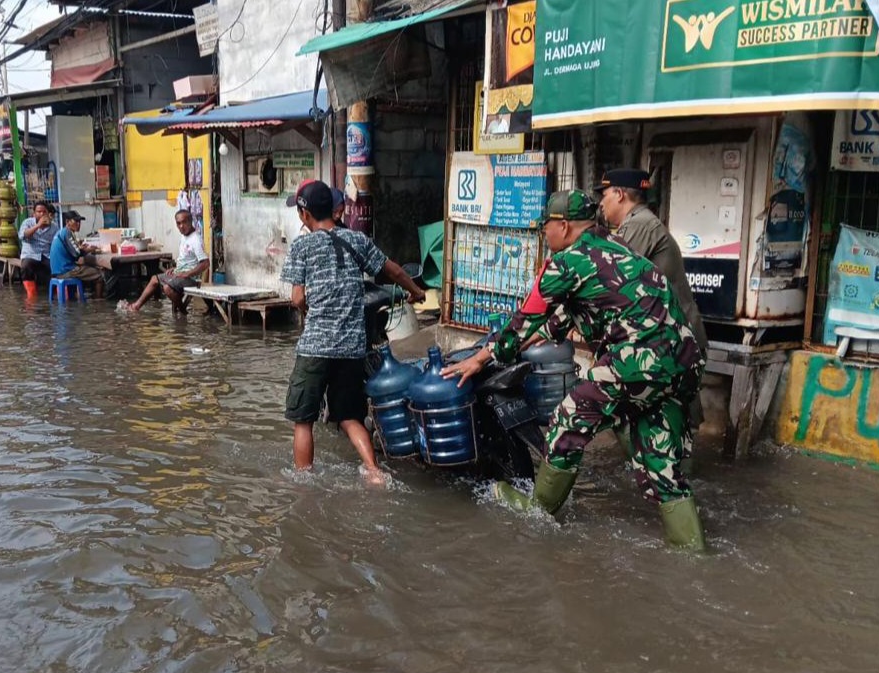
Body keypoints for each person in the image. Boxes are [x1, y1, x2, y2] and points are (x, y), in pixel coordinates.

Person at [442, 189, 707, 550]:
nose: (544, 235)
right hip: (684, 360)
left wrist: (482, 357)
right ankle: (693, 551)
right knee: (661, 463)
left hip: (639, 358)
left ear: (563, 226)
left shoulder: (568, 261)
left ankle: (540, 510)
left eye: (544, 228)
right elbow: (578, 309)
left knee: (569, 418)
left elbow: (525, 318)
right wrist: (542, 335)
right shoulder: (616, 248)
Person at [280, 180, 425, 483]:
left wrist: (310, 309)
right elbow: (394, 271)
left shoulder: (302, 245)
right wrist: (415, 292)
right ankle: (374, 471)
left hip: (315, 347)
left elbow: (297, 298)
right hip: (351, 346)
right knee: (349, 416)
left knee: (303, 421)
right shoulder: (356, 240)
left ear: (304, 214)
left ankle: (304, 483)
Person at [596, 168, 708, 469]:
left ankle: (674, 484)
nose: (602, 205)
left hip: (674, 341)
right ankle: (660, 479)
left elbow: (610, 277)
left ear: (619, 194)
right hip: (662, 339)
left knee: (676, 420)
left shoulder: (641, 224)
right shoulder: (638, 224)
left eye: (604, 196)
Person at [126, 209, 209, 314]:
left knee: (164, 285)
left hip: (191, 279)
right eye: (178, 223)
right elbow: (188, 260)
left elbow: (205, 263)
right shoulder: (184, 236)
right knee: (158, 281)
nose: (181, 226)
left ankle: (183, 312)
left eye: (184, 222)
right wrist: (176, 269)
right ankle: (136, 307)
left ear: (190, 221)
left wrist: (187, 273)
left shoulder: (195, 239)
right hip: (180, 274)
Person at [50, 210, 104, 298]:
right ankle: (99, 301)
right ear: (67, 222)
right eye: (76, 221)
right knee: (99, 274)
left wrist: (81, 248)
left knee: (86, 269)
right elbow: (76, 254)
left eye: (79, 222)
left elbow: (72, 250)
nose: (78, 224)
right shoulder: (67, 233)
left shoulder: (61, 232)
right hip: (65, 270)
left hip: (58, 270)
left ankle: (79, 297)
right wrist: (89, 250)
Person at [19, 201, 59, 298]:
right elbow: (23, 236)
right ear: (34, 213)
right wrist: (37, 226)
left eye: (44, 212)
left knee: (56, 269)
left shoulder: (54, 227)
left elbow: (57, 243)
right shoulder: (27, 222)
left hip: (46, 255)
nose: (41, 214)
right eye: (39, 212)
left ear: (47, 213)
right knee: (26, 266)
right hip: (30, 254)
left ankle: (55, 295)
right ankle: (31, 295)